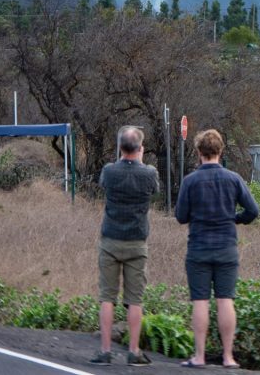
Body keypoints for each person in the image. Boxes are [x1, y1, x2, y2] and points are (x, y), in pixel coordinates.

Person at [175, 129, 260, 369]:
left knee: (200, 301)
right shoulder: (233, 179)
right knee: (225, 300)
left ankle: (199, 356)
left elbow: (181, 216)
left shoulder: (190, 181)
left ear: (199, 152)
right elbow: (253, 211)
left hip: (199, 248)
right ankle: (228, 357)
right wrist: (234, 218)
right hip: (226, 248)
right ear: (220, 151)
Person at [91, 125, 160, 367]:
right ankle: (133, 351)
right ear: (141, 148)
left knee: (107, 297)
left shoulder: (109, 171)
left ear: (120, 147)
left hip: (110, 239)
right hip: (137, 242)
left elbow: (104, 185)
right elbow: (155, 191)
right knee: (135, 300)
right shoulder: (149, 173)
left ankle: (105, 350)